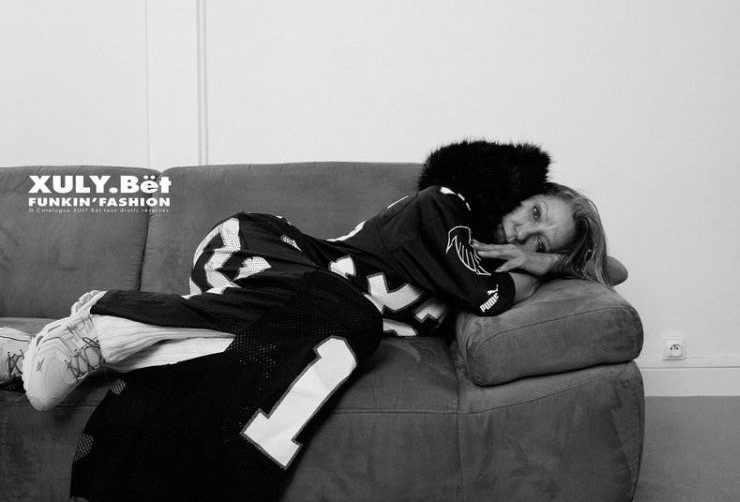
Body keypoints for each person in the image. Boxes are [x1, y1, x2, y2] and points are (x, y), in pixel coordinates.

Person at [1, 140, 622, 502]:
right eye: (534, 213)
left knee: (272, 357)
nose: (524, 235)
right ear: (518, 192)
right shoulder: (444, 207)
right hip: (258, 249)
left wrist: (554, 264)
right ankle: (103, 321)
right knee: (352, 318)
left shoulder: (476, 264)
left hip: (288, 314)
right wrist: (539, 266)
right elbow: (488, 297)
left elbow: (606, 272)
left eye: (540, 241)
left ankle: (42, 353)